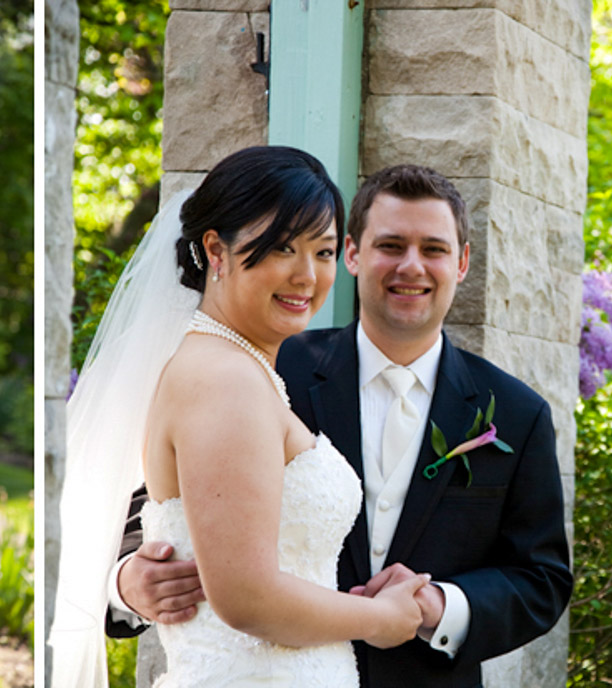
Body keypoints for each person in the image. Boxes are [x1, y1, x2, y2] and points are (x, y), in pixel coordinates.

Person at [112, 164, 573, 687]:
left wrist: (437, 606)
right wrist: (127, 580)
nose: (411, 267)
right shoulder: (262, 368)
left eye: (435, 250)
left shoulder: (517, 412)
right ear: (357, 253)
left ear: (462, 262)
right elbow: (154, 500)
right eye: (392, 245)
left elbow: (542, 579)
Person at [51, 146, 430, 688]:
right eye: (282, 248)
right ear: (216, 250)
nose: (306, 276)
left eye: (323, 253)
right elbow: (247, 598)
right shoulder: (223, 379)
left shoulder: (240, 367)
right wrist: (382, 619)